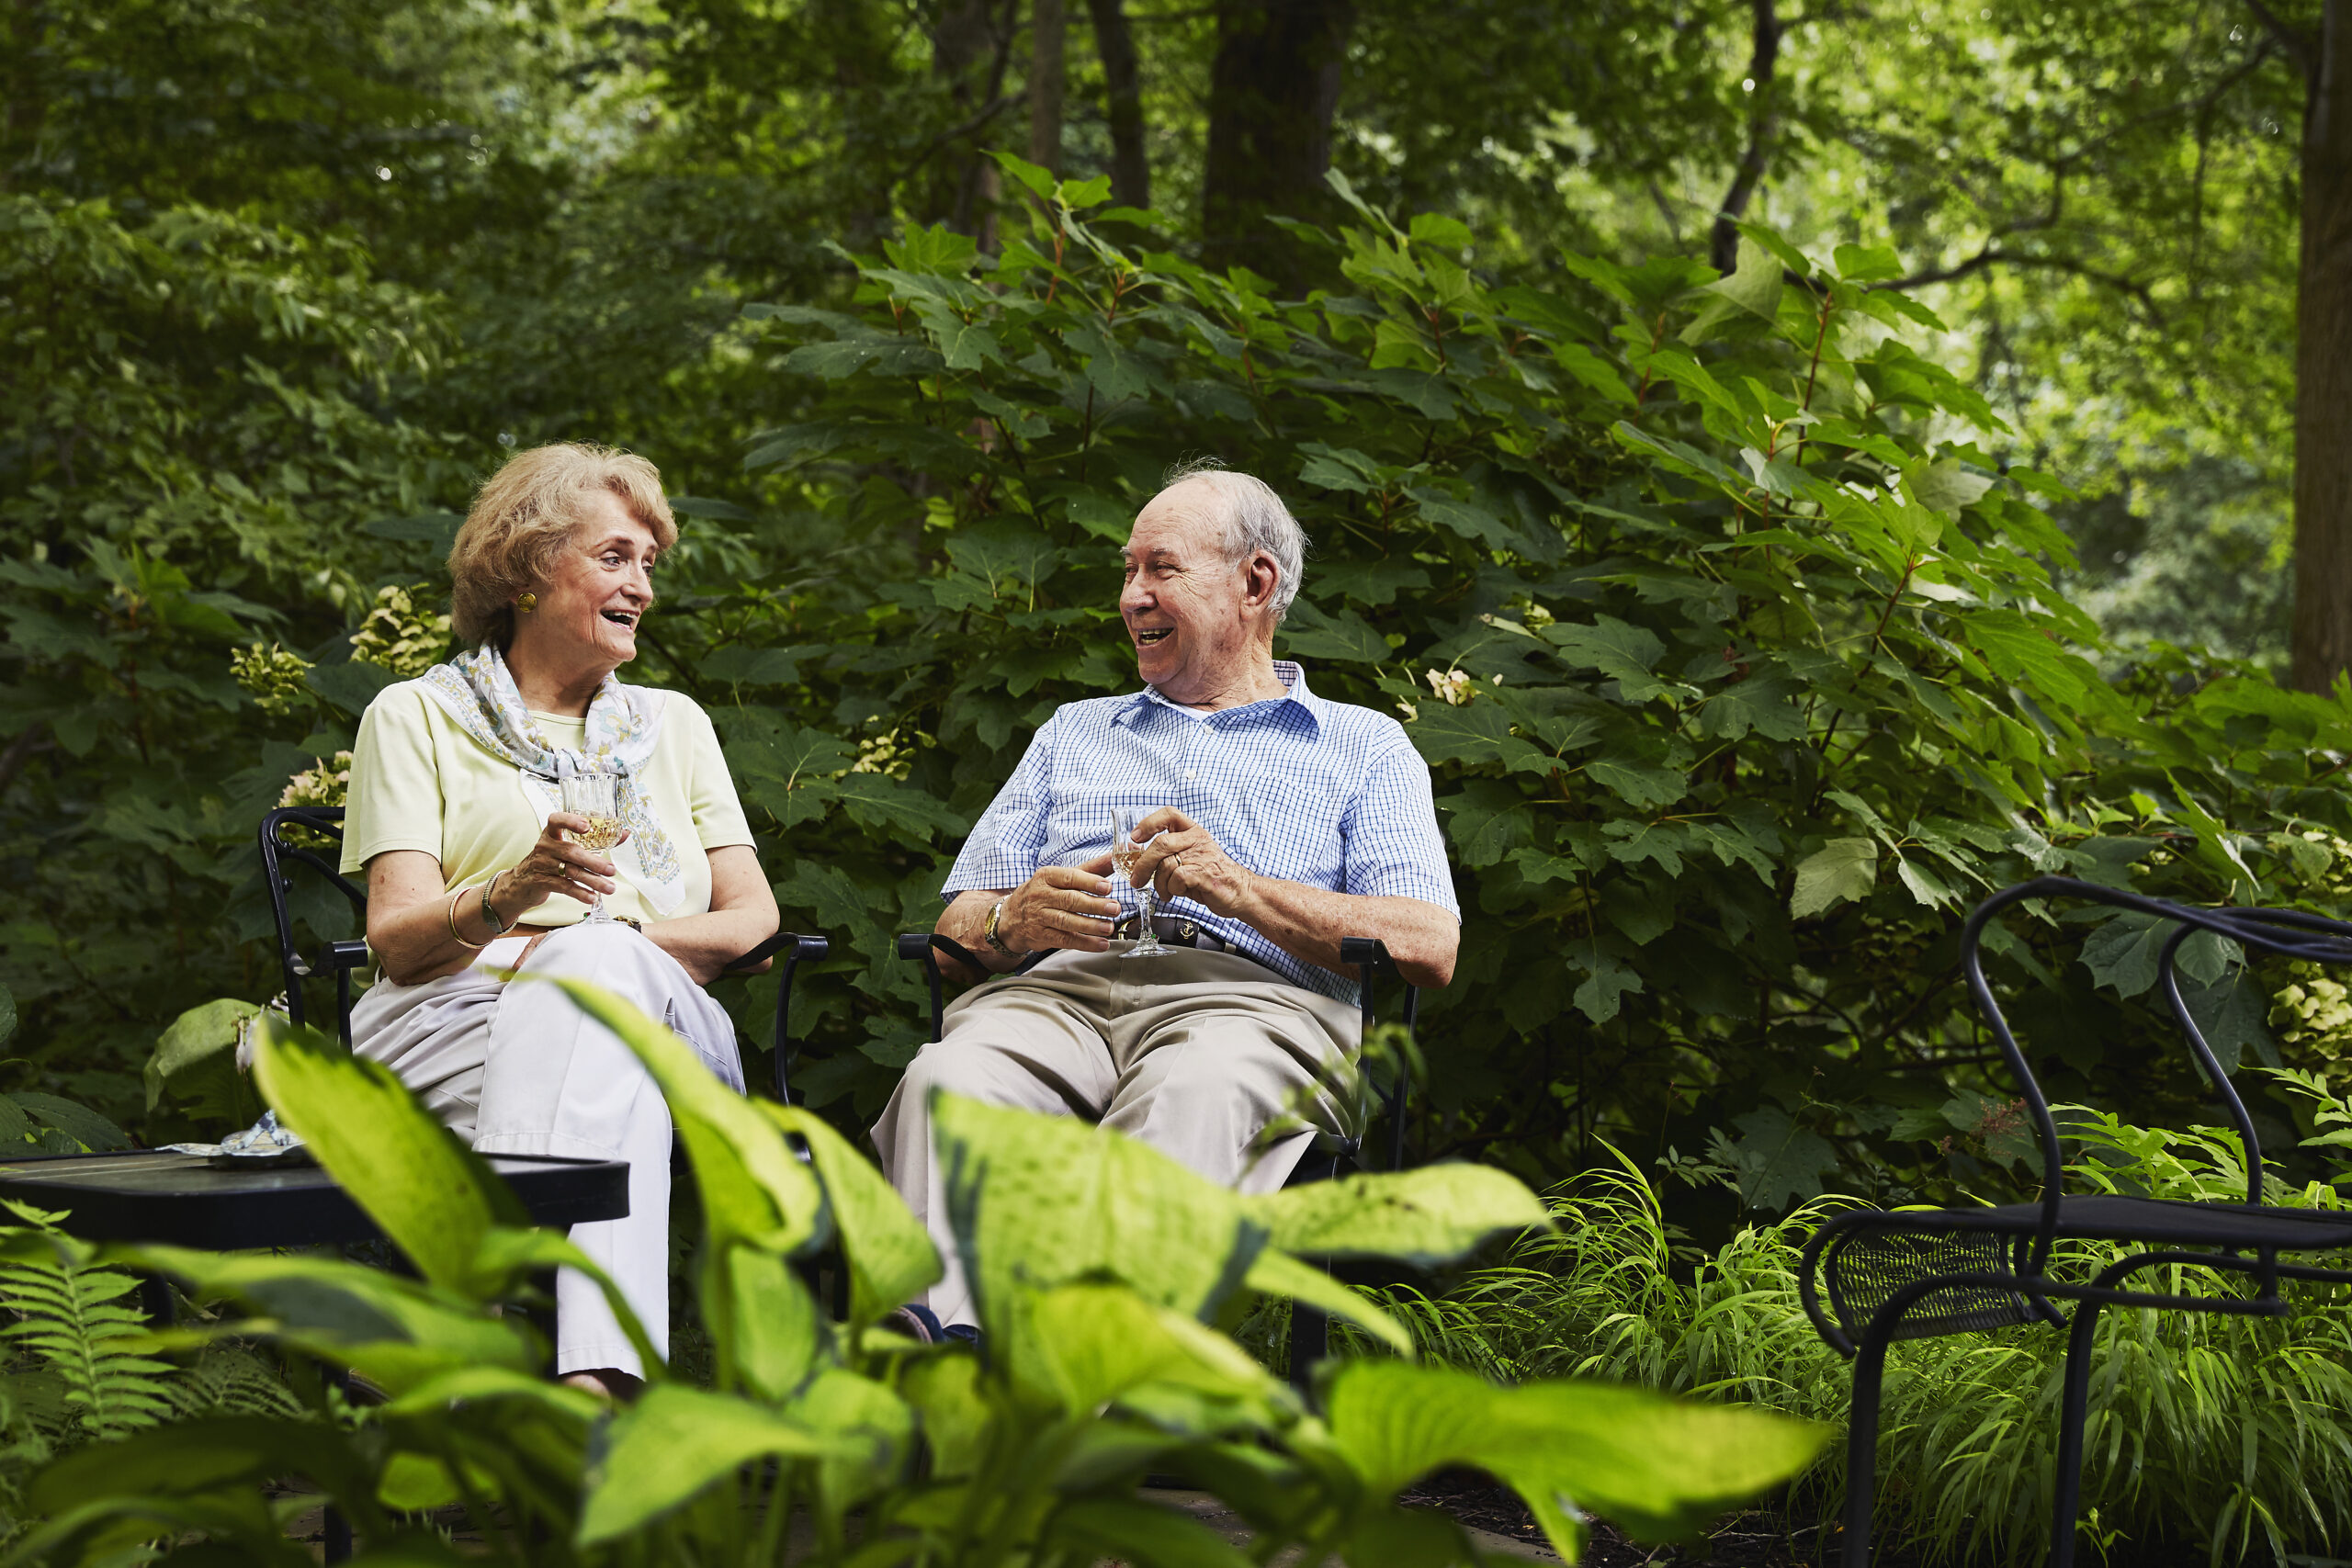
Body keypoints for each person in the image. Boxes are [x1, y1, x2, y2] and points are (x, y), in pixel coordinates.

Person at [871, 462, 1460, 1334]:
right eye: (1127, 570)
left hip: (1254, 1011)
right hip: (1056, 998)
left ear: (1255, 582)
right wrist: (1011, 918)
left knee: (1196, 1084)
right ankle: (949, 1365)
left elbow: (1427, 944)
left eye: (1161, 568)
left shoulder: (1363, 747)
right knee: (946, 1078)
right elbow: (959, 923)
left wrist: (1239, 889)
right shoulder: (1074, 729)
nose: (1131, 595)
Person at [341, 443, 779, 1397]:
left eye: (648, 565)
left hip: (663, 1020)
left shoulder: (676, 725)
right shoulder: (411, 716)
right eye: (616, 558)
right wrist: (507, 891)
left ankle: (474, 1331)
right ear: (531, 566)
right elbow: (400, 941)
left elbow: (749, 921)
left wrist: (585, 947)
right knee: (612, 1080)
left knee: (595, 977)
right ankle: (596, 1387)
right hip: (447, 1024)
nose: (643, 589)